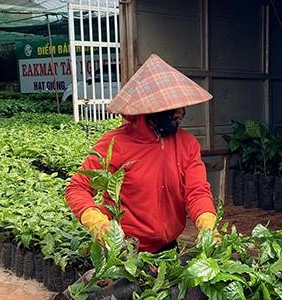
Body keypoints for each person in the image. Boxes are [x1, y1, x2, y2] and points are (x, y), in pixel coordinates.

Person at [65, 54, 218, 253]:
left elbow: (197, 191)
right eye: (173, 108)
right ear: (151, 109)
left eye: (182, 106)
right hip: (124, 248)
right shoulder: (115, 144)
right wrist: (99, 224)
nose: (181, 113)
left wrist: (208, 225)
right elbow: (77, 188)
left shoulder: (187, 144)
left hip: (167, 246)